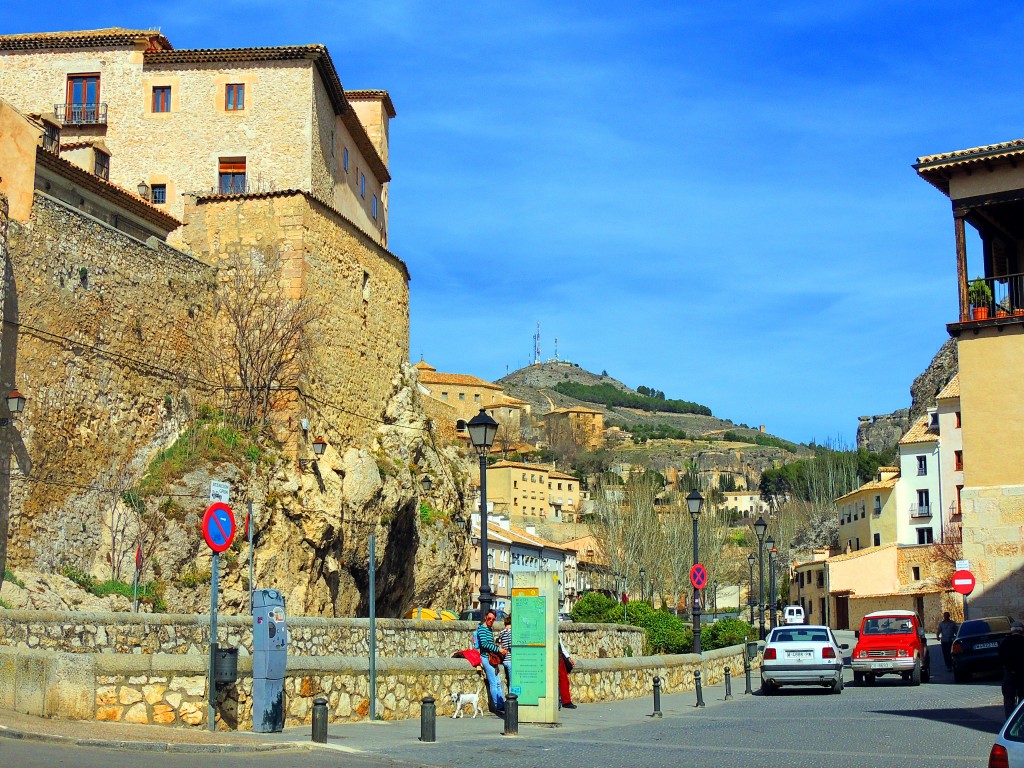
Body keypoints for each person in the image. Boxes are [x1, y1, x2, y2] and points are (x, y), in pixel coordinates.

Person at [475, 609, 507, 715]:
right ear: (485, 617)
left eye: (493, 619)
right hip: (486, 657)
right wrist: (498, 649)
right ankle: (498, 705)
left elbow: (490, 644)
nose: (491, 621)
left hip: (491, 658)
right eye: (489, 619)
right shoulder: (482, 629)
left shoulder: (489, 629)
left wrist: (497, 647)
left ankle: (501, 703)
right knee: (493, 682)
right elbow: (484, 644)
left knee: (498, 682)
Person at [998, 621, 1024, 719]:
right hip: (1022, 674)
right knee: (1022, 699)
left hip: (1009, 674)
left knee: (1009, 698)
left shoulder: (1005, 642)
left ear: (1012, 631)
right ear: (1022, 631)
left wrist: (1009, 668)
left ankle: (1009, 720)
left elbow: (1001, 658)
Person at [558, 637, 576, 709]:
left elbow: (561, 646)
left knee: (563, 679)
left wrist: (568, 658)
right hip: (557, 656)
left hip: (558, 657)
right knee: (563, 679)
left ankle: (566, 701)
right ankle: (565, 701)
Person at [498, 611, 512, 687]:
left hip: (504, 660)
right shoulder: (510, 632)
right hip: (510, 660)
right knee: (512, 683)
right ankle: (511, 694)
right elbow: (510, 645)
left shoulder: (502, 632)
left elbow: (501, 644)